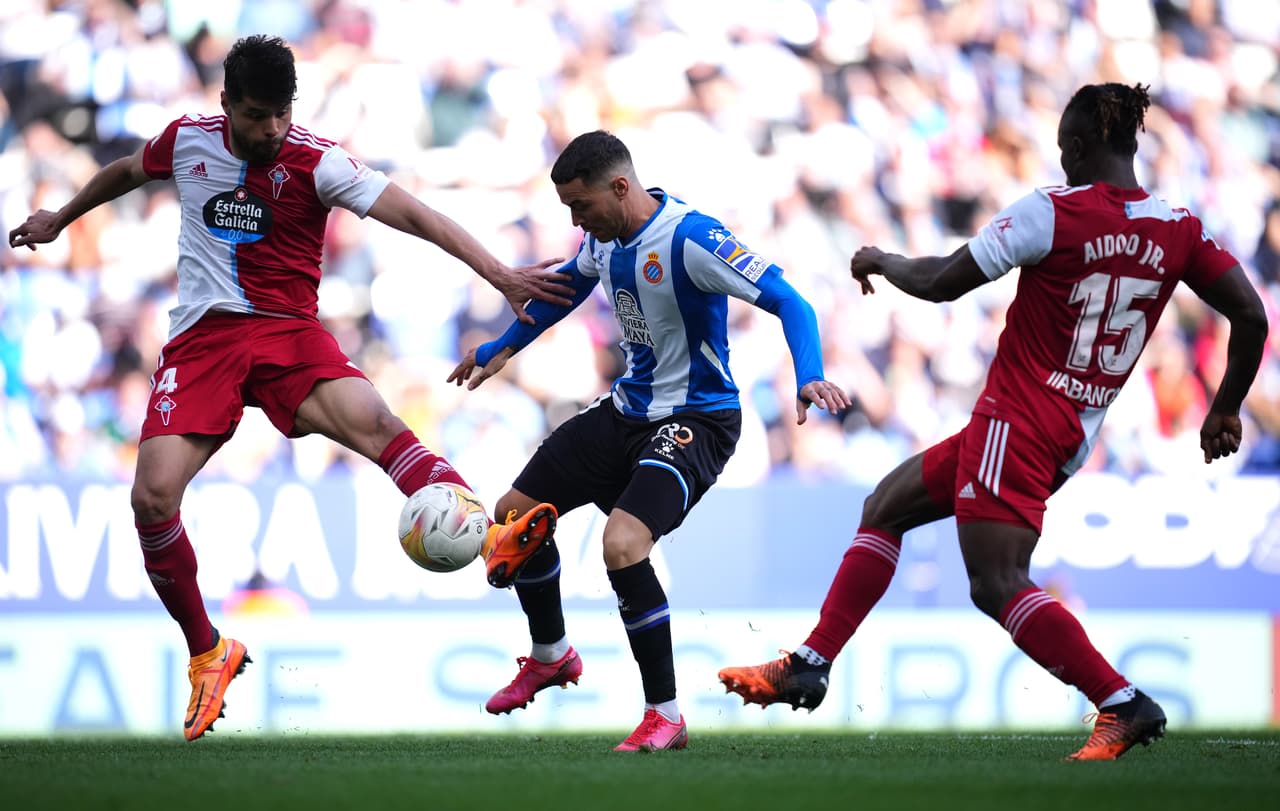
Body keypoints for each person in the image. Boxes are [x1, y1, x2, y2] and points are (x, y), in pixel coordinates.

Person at [6, 35, 571, 741]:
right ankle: (209, 651)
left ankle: (489, 536)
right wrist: (60, 217)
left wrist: (500, 274)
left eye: (280, 113)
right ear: (226, 105)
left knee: (375, 422)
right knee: (151, 494)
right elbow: (125, 170)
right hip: (204, 338)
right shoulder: (188, 142)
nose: (270, 128)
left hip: (286, 332)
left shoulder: (318, 161)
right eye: (255, 115)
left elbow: (419, 215)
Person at [717, 83, 1269, 761]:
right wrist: (1224, 407)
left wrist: (885, 261)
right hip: (1066, 431)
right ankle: (811, 659)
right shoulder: (1179, 227)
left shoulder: (1053, 212)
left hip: (1018, 418)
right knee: (885, 505)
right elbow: (1252, 314)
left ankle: (1121, 701)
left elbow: (946, 279)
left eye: (1063, 149)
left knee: (995, 581)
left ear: (1074, 145)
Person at [448, 130, 852, 751]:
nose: (575, 221)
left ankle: (664, 714)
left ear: (619, 187)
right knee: (512, 518)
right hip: (627, 411)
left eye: (580, 207)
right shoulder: (603, 238)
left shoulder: (693, 239)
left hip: (698, 419)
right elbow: (566, 290)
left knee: (623, 543)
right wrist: (502, 347)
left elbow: (792, 302)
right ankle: (551, 653)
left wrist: (810, 374)